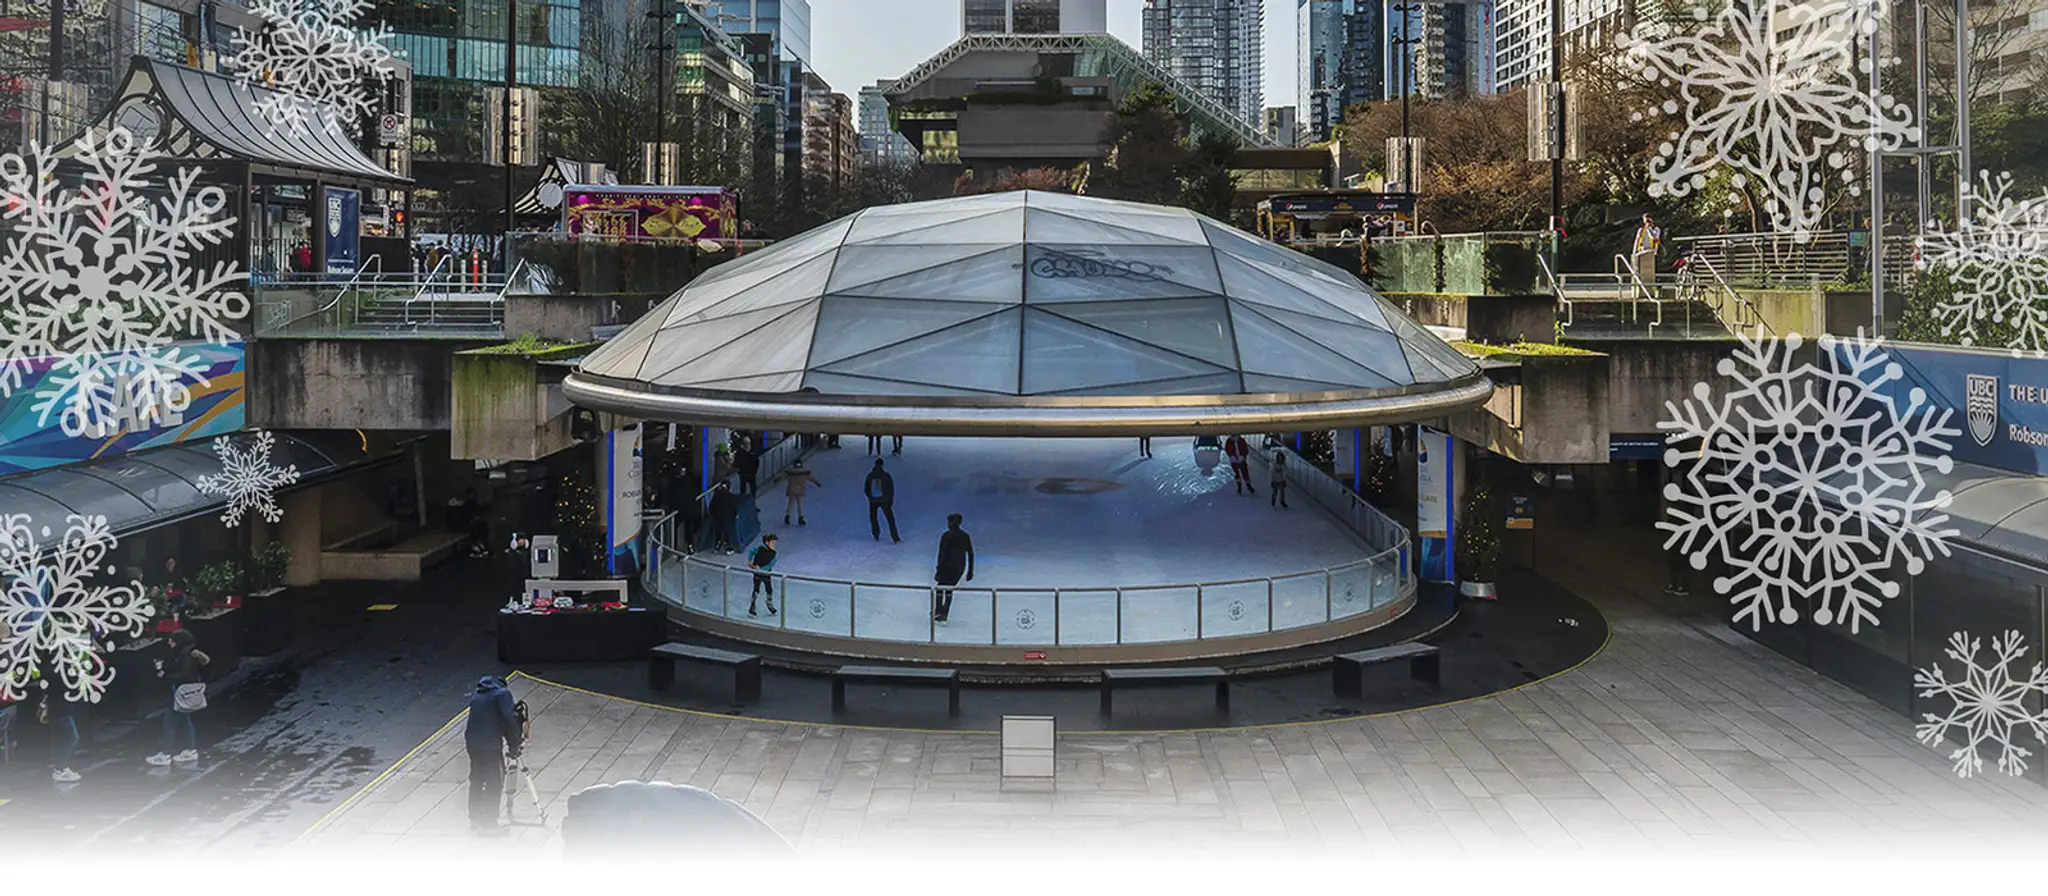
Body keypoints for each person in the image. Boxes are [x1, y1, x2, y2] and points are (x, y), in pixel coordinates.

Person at [465, 675, 523, 833]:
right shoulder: (502, 694)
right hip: (490, 745)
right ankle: (489, 824)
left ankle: (475, 819)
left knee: (477, 779)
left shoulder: (479, 693)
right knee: (494, 782)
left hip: (472, 743)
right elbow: (509, 719)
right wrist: (514, 744)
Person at [146, 629, 211, 766]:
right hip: (186, 694)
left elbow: (184, 675)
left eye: (172, 640)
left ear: (179, 642)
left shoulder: (184, 656)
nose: (169, 642)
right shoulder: (186, 653)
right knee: (185, 719)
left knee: (169, 722)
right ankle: (190, 750)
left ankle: (166, 754)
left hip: (181, 693)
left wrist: (164, 675)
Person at [932, 514, 974, 624]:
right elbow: (970, 553)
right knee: (949, 589)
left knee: (940, 588)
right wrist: (970, 570)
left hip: (946, 566)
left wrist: (939, 568)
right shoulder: (965, 536)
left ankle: (939, 611)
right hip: (958, 568)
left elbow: (942, 553)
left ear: (950, 522)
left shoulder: (946, 536)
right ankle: (944, 612)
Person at [41, 677, 80, 783]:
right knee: (72, 738)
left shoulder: (55, 674)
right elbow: (71, 689)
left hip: (59, 710)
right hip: (62, 711)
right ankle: (59, 769)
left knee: (67, 739)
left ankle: (62, 767)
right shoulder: (63, 675)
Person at [865, 460, 900, 543]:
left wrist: (870, 497)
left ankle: (876, 534)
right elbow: (891, 489)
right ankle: (895, 537)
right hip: (885, 501)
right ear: (882, 465)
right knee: (890, 519)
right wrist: (890, 500)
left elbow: (866, 488)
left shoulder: (870, 476)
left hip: (873, 501)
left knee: (873, 518)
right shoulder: (886, 475)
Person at [747, 534, 780, 617]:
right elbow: (751, 551)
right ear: (767, 542)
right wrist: (750, 561)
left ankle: (769, 604)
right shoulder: (759, 549)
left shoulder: (774, 554)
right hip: (757, 574)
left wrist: (760, 568)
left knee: (769, 589)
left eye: (775, 543)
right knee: (756, 590)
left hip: (766, 574)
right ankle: (752, 607)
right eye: (772, 542)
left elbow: (770, 565)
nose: (774, 544)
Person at [780, 459, 820, 526]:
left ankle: (787, 516)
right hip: (800, 490)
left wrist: (777, 480)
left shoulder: (790, 472)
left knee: (791, 504)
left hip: (792, 490)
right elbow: (811, 478)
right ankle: (800, 518)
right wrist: (817, 483)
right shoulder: (804, 472)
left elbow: (783, 477)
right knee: (800, 505)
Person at [1630, 213, 1662, 298]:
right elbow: (1637, 241)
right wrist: (1634, 253)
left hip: (1653, 254)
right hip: (1642, 253)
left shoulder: (1656, 229)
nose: (1646, 222)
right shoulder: (1641, 230)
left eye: (1648, 220)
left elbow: (1654, 237)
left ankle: (1654, 289)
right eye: (1645, 221)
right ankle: (1641, 290)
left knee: (1653, 272)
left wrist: (1648, 228)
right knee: (1641, 272)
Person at [708, 483, 740, 555]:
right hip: (727, 517)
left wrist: (714, 514)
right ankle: (728, 547)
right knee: (727, 532)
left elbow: (711, 506)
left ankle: (717, 546)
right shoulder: (730, 496)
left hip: (718, 517)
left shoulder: (716, 495)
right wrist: (735, 514)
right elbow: (734, 506)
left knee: (718, 531)